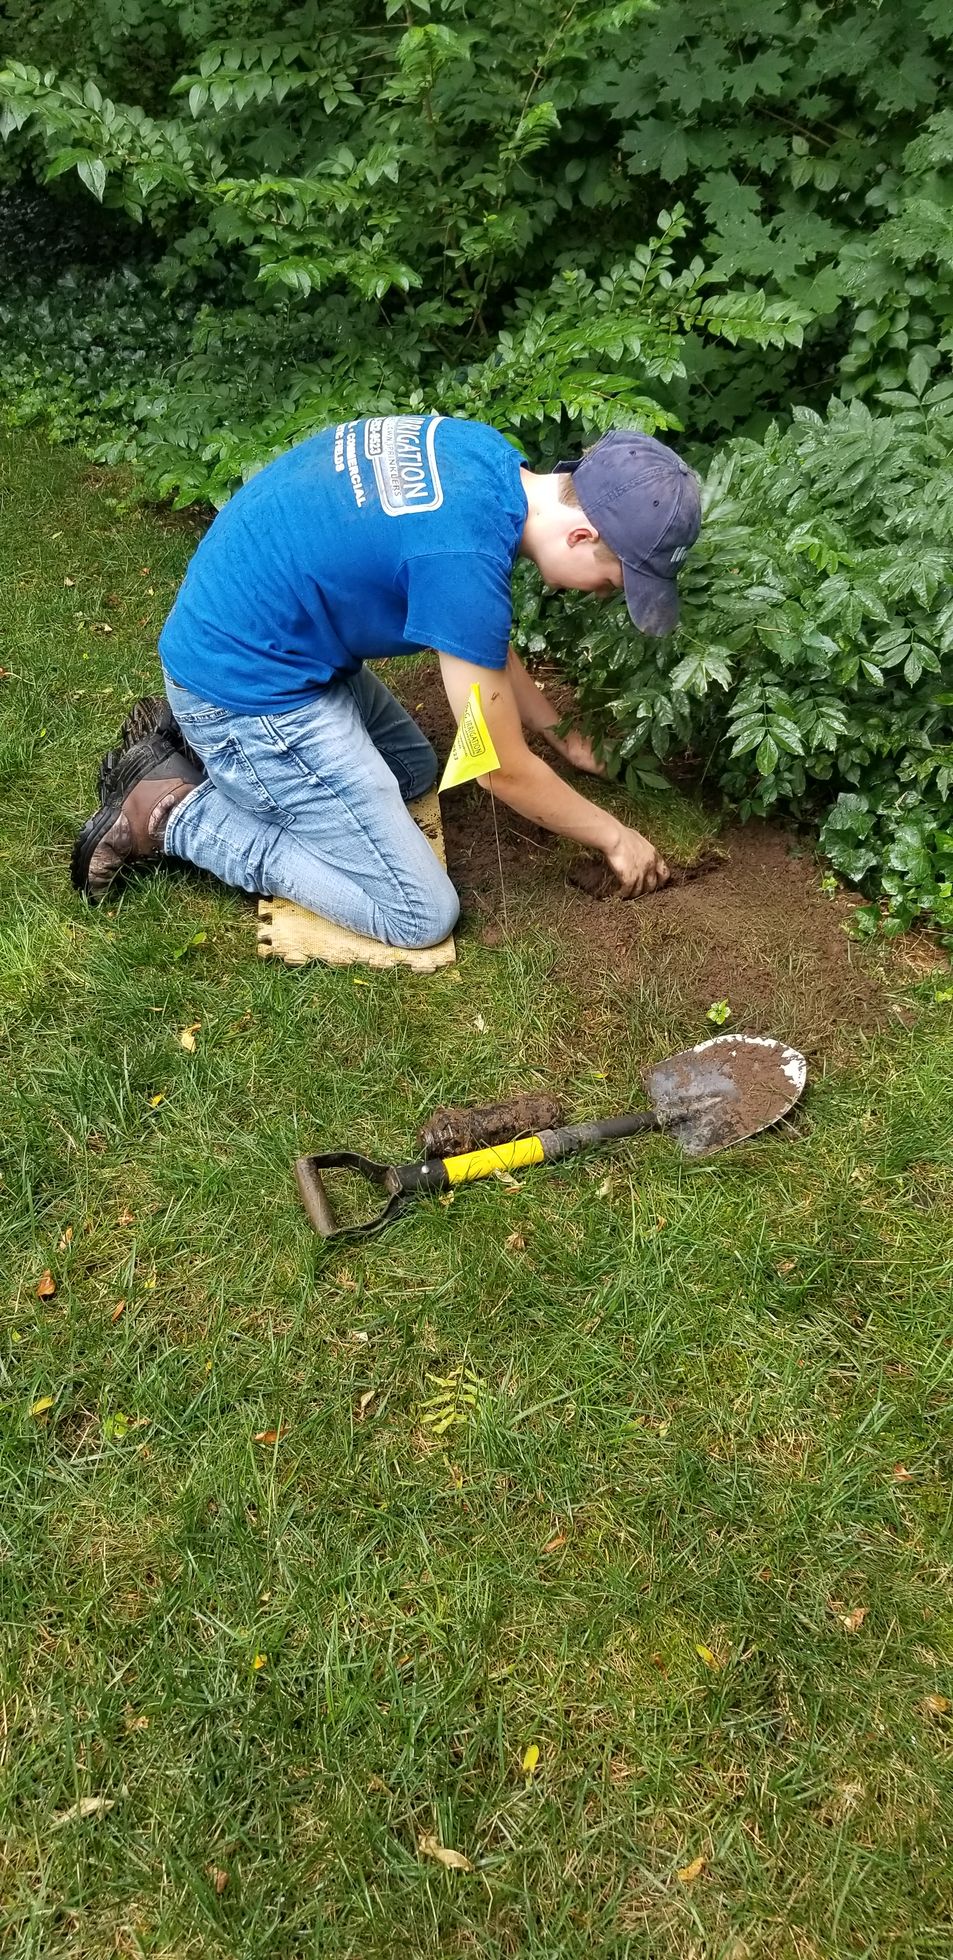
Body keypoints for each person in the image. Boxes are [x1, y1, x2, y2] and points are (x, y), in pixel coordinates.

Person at [72, 415, 701, 945]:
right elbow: (498, 768)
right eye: (617, 579)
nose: (607, 595)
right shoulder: (463, 559)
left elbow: (475, 637)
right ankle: (172, 812)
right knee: (419, 913)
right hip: (248, 688)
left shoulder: (488, 462)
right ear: (583, 534)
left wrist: (560, 734)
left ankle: (207, 751)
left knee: (412, 772)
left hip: (264, 646)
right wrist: (616, 838)